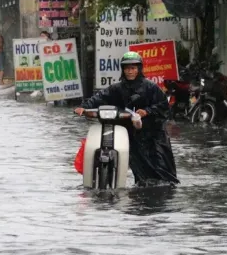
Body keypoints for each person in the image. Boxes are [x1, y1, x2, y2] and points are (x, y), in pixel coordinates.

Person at [74, 51, 180, 186]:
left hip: (152, 132)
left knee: (160, 167)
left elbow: (163, 105)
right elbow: (99, 97)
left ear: (139, 69)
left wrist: (146, 112)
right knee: (139, 168)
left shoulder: (150, 87)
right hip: (132, 132)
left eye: (133, 68)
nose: (129, 72)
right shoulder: (117, 88)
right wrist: (83, 107)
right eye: (126, 68)